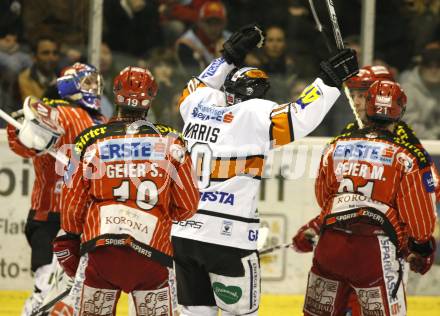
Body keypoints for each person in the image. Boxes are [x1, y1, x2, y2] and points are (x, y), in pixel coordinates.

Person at [171, 24, 359, 315]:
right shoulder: (255, 114)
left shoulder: (197, 104)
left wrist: (228, 57)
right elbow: (299, 117)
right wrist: (329, 81)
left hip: (183, 233)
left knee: (194, 313)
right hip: (228, 237)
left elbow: (198, 85)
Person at [53, 66, 199, 315]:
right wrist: (160, 211)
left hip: (101, 253)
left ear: (116, 93)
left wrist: (71, 237)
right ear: (151, 97)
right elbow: (188, 207)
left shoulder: (89, 140)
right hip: (153, 255)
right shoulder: (172, 142)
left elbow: (71, 210)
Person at [294, 80, 437, 316]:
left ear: (368, 107)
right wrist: (420, 248)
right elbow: (419, 217)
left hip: (330, 247)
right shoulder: (405, 157)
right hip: (374, 252)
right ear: (400, 111)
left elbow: (323, 197)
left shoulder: (335, 147)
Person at [6, 62, 105, 315]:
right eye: (88, 82)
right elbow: (23, 143)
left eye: (96, 81)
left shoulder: (102, 120)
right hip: (52, 216)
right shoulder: (62, 112)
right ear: (70, 85)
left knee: (73, 293)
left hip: (84, 218)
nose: (95, 87)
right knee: (45, 290)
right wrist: (23, 129)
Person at [176, 0, 230, 74]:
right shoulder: (186, 44)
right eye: (209, 22)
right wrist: (220, 59)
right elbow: (194, 77)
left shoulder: (230, 39)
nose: (213, 28)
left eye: (218, 23)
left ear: (224, 24)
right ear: (200, 22)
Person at [17, 36, 60, 101]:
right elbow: (31, 106)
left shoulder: (63, 76)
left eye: (55, 53)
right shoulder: (25, 78)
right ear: (34, 57)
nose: (51, 57)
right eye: (45, 53)